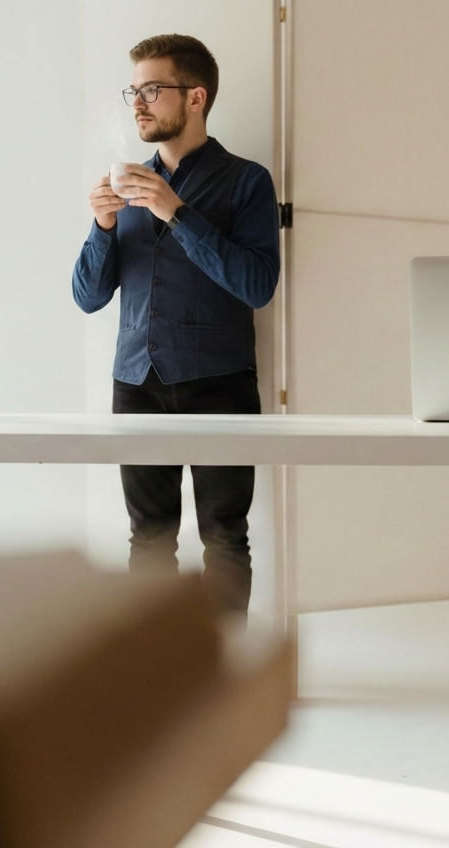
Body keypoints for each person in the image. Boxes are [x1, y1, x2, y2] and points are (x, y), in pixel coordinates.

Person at [71, 34, 280, 614]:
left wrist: (176, 212)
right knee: (150, 538)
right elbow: (88, 298)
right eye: (133, 91)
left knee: (224, 537)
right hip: (136, 385)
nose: (137, 103)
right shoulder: (124, 184)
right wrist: (103, 226)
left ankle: (225, 681)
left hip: (221, 384)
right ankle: (157, 681)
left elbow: (257, 285)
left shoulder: (246, 182)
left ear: (195, 97)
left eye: (152, 90)